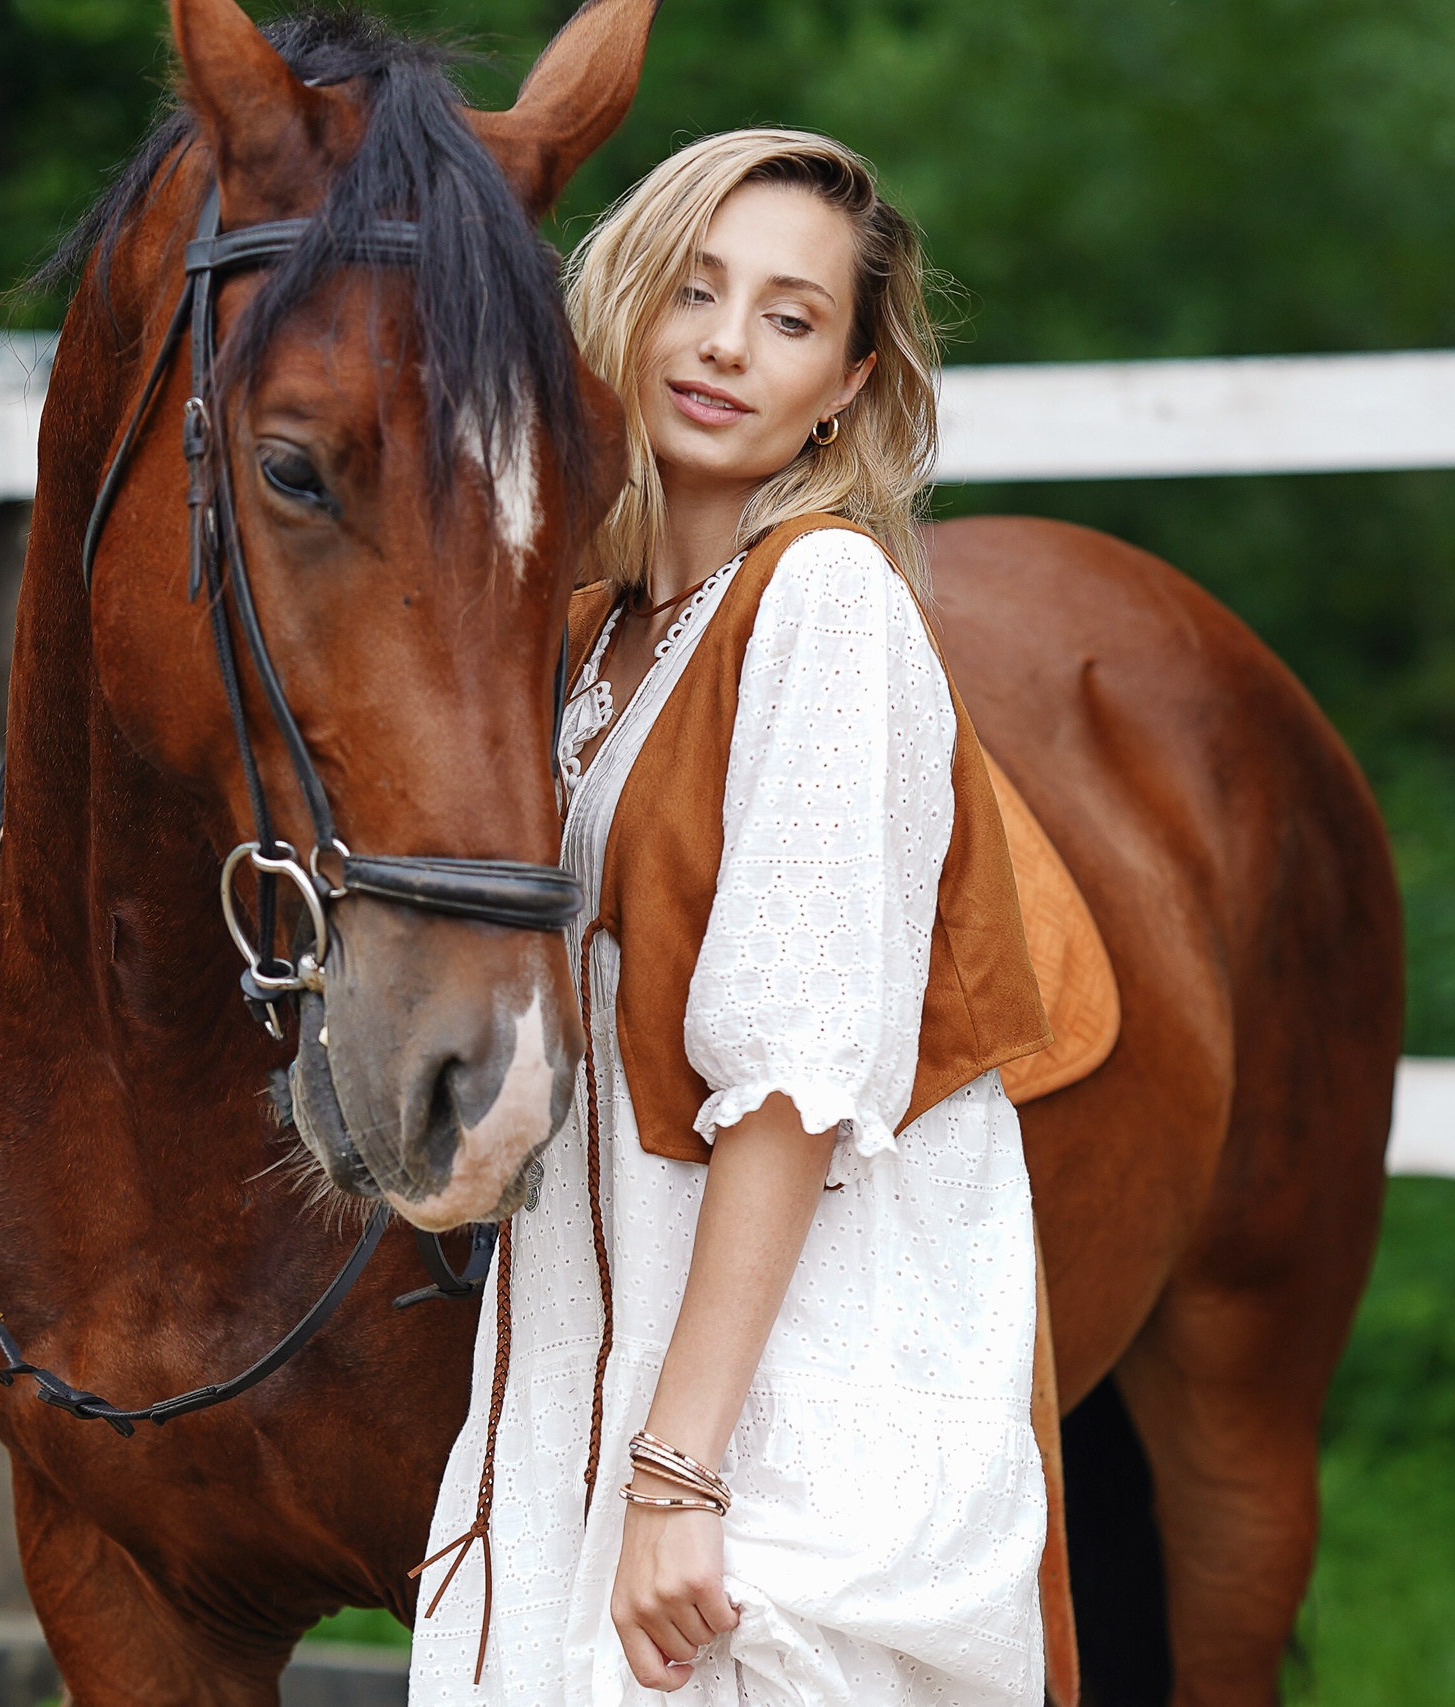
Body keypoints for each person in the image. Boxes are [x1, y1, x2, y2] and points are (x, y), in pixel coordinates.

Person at [408, 127, 1050, 1707]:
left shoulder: (825, 603)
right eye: (695, 291)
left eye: (789, 316)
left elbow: (790, 1083)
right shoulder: (590, 637)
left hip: (773, 1396)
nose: (724, 346)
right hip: (591, 1368)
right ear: (627, 309)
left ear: (844, 384)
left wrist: (680, 1474)